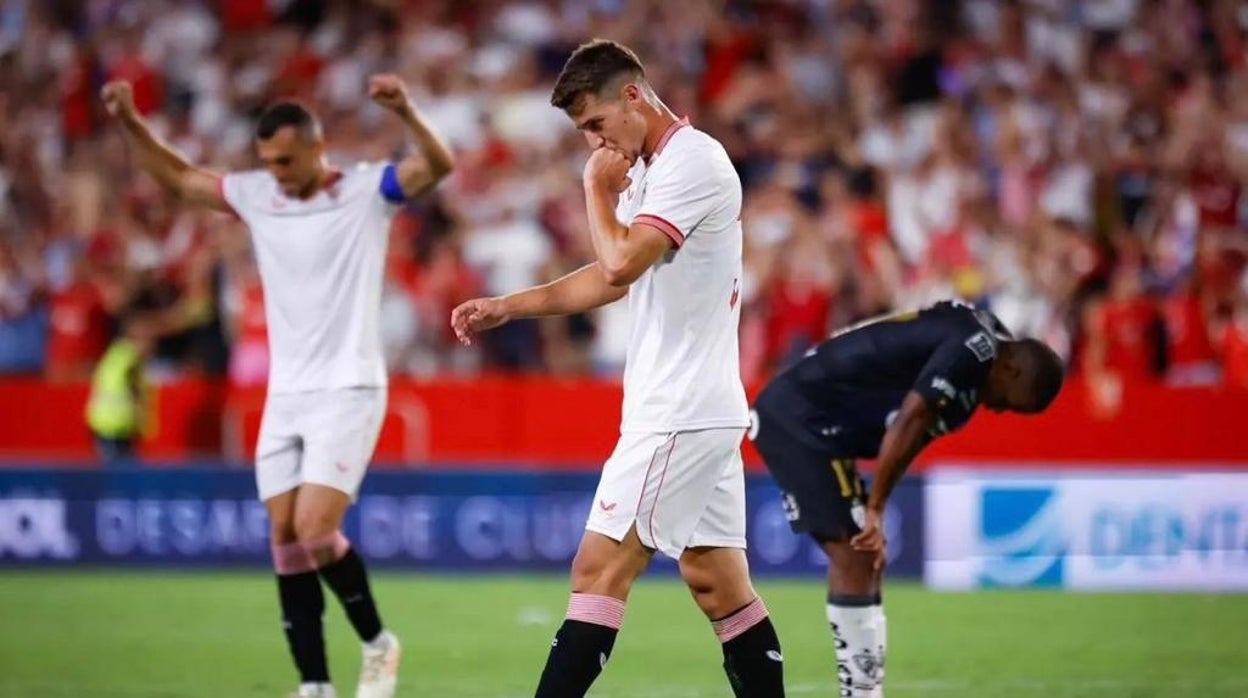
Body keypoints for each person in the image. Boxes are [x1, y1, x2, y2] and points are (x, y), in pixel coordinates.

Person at [101, 74, 455, 698]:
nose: (278, 172)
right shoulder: (258, 194)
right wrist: (131, 122)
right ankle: (314, 684)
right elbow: (182, 179)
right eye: (267, 161)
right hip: (286, 395)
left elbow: (437, 164)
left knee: (317, 528)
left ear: (318, 149)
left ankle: (377, 644)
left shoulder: (366, 189)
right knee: (285, 539)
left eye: (287, 160)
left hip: (348, 387)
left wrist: (406, 111)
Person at [452, 39, 786, 698]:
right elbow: (609, 282)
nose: (592, 144)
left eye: (595, 125)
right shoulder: (653, 171)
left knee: (596, 571)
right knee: (717, 582)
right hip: (697, 409)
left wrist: (593, 193)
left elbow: (618, 265)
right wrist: (507, 308)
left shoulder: (693, 162)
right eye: (583, 134)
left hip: (679, 412)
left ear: (633, 96)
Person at [749, 299, 1065, 697]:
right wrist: (875, 509)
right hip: (799, 418)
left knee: (864, 557)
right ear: (1011, 369)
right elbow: (911, 417)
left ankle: (864, 691)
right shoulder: (972, 350)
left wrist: (874, 508)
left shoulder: (982, 343)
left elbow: (913, 434)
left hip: (825, 427)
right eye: (1009, 402)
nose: (999, 411)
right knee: (855, 554)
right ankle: (862, 694)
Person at [84, 309, 158, 465]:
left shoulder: (116, 353)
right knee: (118, 473)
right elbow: (132, 385)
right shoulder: (130, 358)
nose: (152, 344)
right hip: (113, 425)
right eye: (148, 338)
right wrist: (142, 416)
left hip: (109, 424)